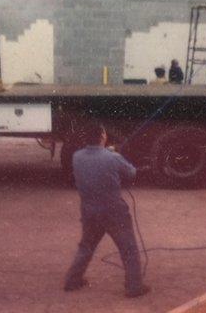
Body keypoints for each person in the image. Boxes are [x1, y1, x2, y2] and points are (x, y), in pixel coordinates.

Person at [64, 123, 150, 298]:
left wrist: (110, 154)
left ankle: (72, 280)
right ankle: (134, 287)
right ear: (103, 136)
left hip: (89, 211)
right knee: (129, 249)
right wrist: (115, 154)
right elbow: (131, 173)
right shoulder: (112, 157)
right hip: (114, 212)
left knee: (86, 246)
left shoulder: (77, 156)